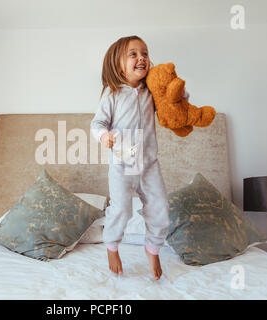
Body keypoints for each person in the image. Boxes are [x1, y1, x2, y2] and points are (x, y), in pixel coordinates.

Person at [91, 35, 177, 280]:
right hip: (122, 162)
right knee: (122, 210)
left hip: (149, 164)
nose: (142, 58)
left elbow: (172, 103)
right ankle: (112, 246)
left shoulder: (152, 92)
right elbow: (97, 123)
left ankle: (153, 251)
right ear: (119, 65)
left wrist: (180, 98)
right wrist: (104, 135)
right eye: (133, 54)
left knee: (160, 209)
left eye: (145, 53)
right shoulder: (113, 94)